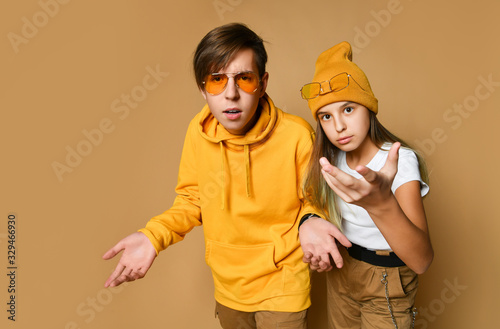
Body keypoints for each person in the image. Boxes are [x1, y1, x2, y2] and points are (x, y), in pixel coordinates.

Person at [103, 23, 349, 329]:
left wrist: (311, 220)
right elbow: (192, 201)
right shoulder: (198, 132)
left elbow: (316, 199)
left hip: (284, 284)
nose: (231, 94)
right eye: (217, 80)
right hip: (228, 286)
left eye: (244, 79)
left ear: (262, 83)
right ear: (203, 89)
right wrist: (152, 236)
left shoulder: (296, 135)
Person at [297, 41, 434, 329]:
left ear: (368, 107)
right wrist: (318, 242)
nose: (338, 126)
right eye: (326, 116)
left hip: (387, 278)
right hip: (343, 269)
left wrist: (380, 203)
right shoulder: (329, 159)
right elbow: (312, 207)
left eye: (348, 109)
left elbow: (421, 260)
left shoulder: (398, 161)